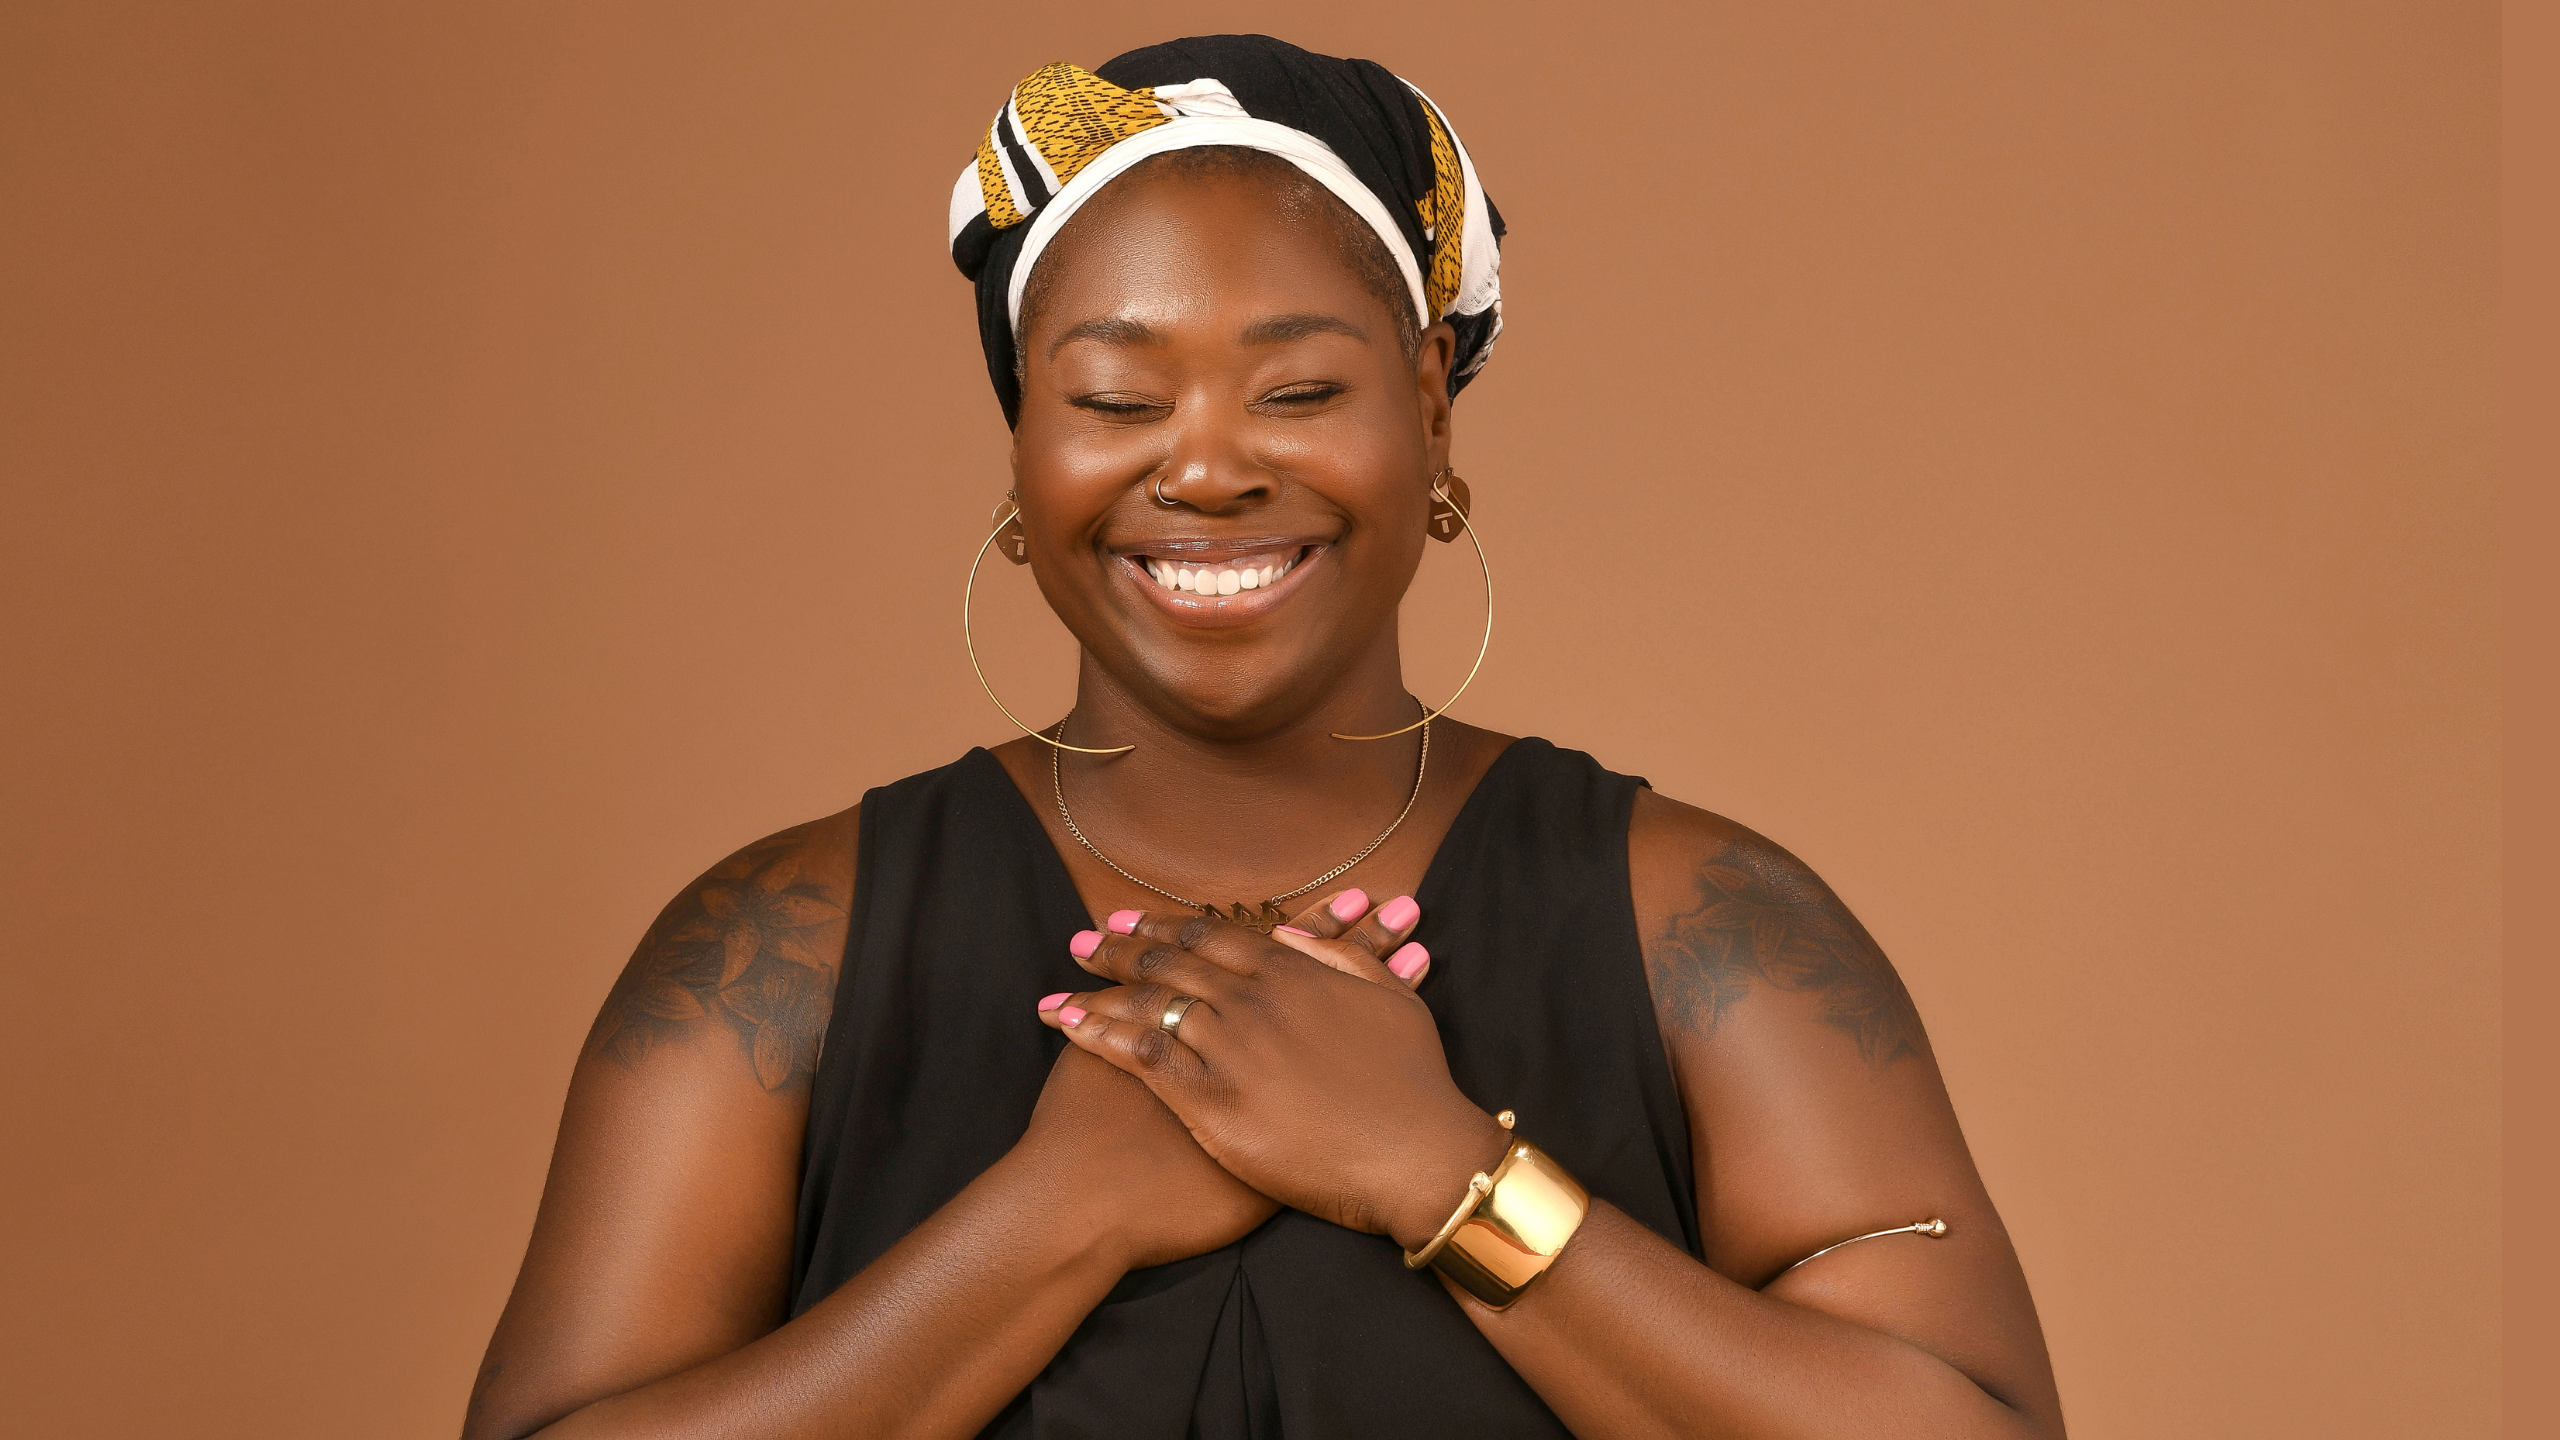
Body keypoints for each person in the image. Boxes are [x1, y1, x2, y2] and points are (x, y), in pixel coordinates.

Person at [465, 34, 2064, 1440]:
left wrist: (1443, 1177)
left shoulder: (1704, 931)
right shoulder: (777, 954)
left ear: (1431, 405)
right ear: (1022, 435)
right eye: (1114, 400)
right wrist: (1052, 1220)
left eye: (1297, 392)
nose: (1210, 472)